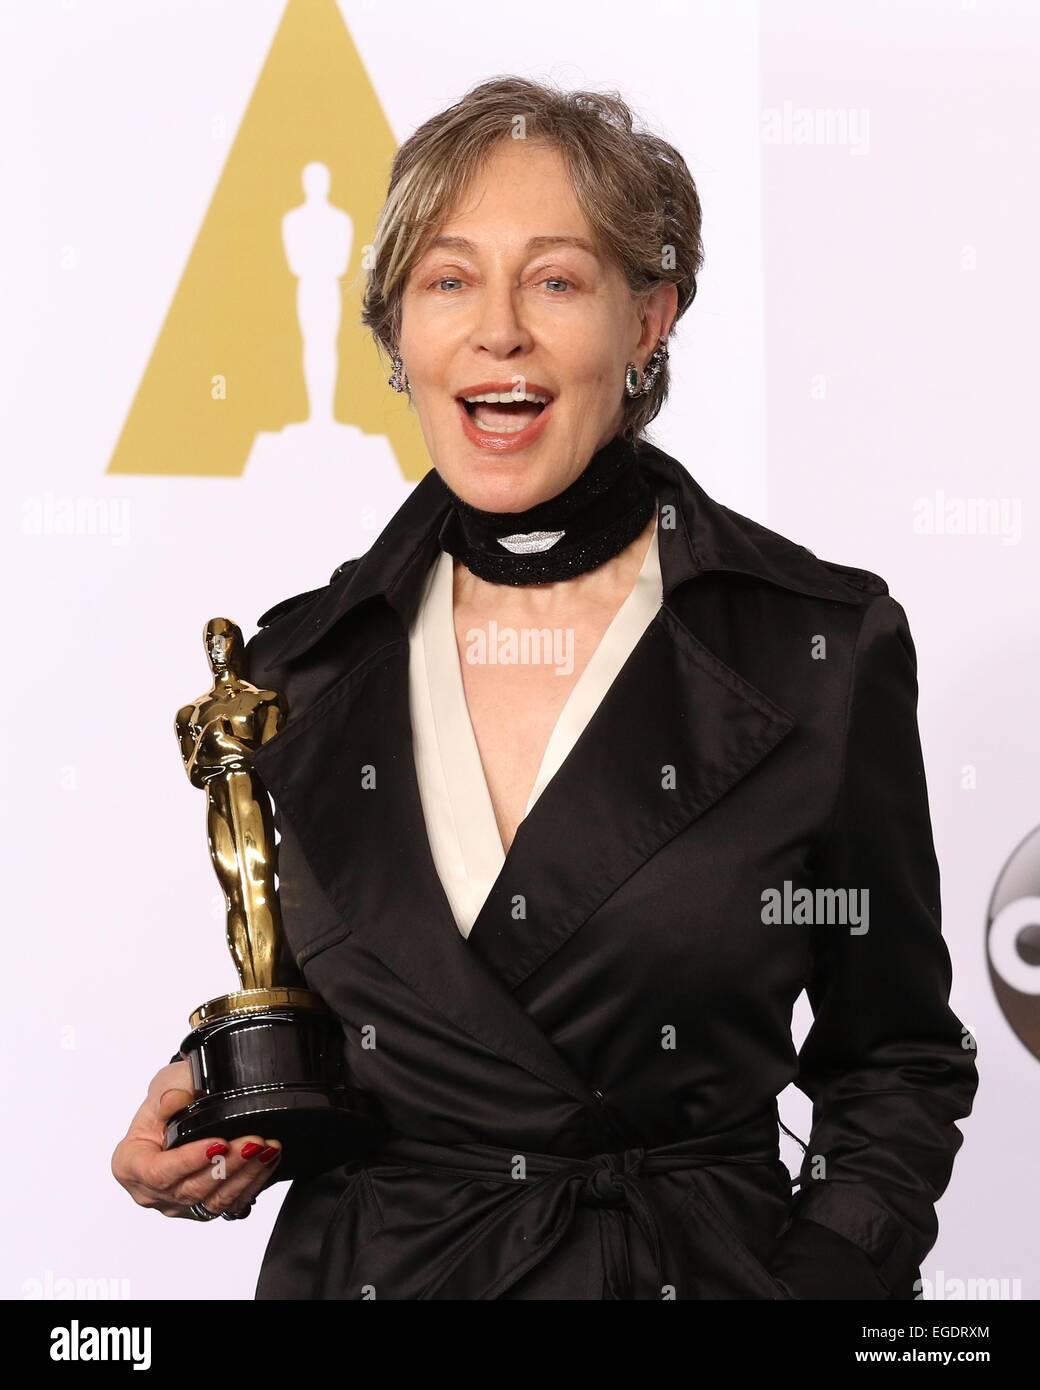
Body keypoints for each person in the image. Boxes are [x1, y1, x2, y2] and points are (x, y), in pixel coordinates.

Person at [111, 75, 979, 1299]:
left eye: (557, 280)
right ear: (397, 338)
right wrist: (217, 1116)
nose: (497, 331)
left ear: (648, 321)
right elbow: (349, 1030)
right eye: (448, 279)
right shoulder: (290, 671)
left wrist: (822, 1281)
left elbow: (894, 1053)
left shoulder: (813, 649)